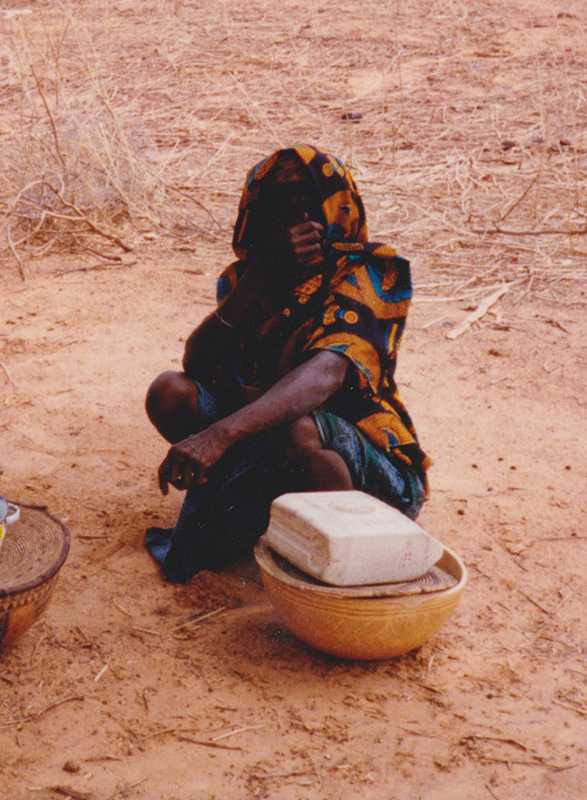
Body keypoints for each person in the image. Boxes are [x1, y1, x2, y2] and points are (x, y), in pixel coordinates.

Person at [144, 146, 428, 582]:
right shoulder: (246, 279)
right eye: (282, 208)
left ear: (336, 209)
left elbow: (328, 372)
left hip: (365, 468)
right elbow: (197, 361)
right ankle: (272, 512)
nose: (299, 225)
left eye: (308, 206)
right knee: (171, 393)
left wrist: (217, 435)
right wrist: (260, 273)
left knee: (300, 428)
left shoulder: (369, 271)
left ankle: (353, 558)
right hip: (273, 442)